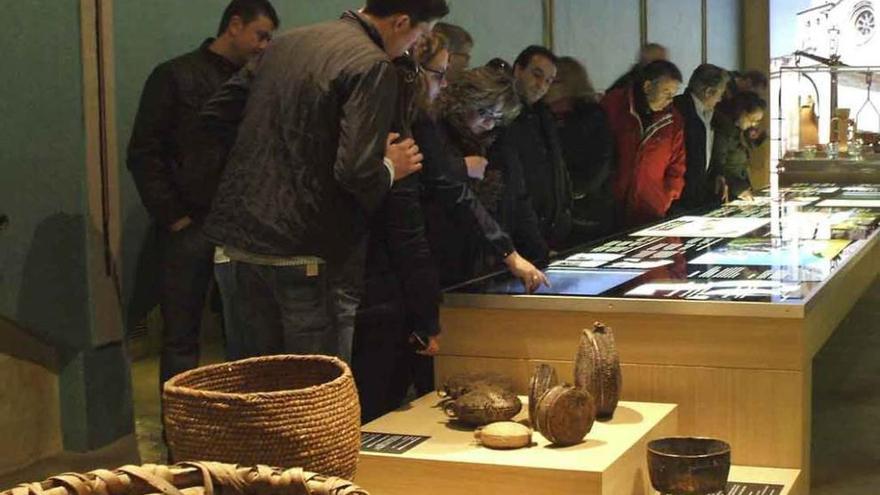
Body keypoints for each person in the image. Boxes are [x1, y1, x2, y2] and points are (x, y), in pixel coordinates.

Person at [202, 0, 450, 364]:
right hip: (308, 248)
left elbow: (215, 114)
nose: (413, 47)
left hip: (237, 243)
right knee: (315, 401)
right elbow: (355, 172)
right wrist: (390, 166)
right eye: (420, 35)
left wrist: (269, 159)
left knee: (254, 392)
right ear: (401, 22)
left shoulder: (286, 43)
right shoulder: (371, 63)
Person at [127, 0, 279, 387]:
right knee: (181, 337)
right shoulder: (175, 76)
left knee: (245, 337)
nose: (265, 45)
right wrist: (174, 217)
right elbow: (145, 152)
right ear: (234, 25)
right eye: (260, 35)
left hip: (242, 226)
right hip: (191, 223)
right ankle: (182, 439)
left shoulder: (259, 81)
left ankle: (235, 432)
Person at [491, 46, 574, 249]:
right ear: (518, 70)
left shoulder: (543, 116)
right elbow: (514, 184)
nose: (541, 86)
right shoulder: (502, 116)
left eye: (548, 81)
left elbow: (557, 168)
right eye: (536, 75)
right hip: (518, 233)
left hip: (548, 229)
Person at [601, 60, 686, 228]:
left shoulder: (673, 120)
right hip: (609, 208)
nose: (670, 100)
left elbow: (677, 165)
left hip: (650, 209)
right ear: (647, 87)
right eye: (666, 92)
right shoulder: (615, 105)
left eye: (673, 94)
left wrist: (666, 196)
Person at [544, 56, 615, 241]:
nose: (547, 87)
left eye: (554, 81)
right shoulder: (542, 116)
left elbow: (602, 160)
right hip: (554, 207)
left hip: (586, 204)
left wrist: (573, 191)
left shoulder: (591, 115)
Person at [670, 64, 730, 215]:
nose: (720, 99)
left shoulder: (711, 114)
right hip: (681, 197)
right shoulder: (678, 110)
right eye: (720, 93)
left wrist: (717, 173)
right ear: (708, 91)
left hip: (701, 192)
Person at [712, 91, 767, 201]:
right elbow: (718, 166)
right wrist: (739, 188)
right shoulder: (724, 132)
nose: (754, 125)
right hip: (726, 192)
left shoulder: (740, 132)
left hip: (738, 189)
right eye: (752, 120)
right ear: (741, 112)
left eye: (757, 121)